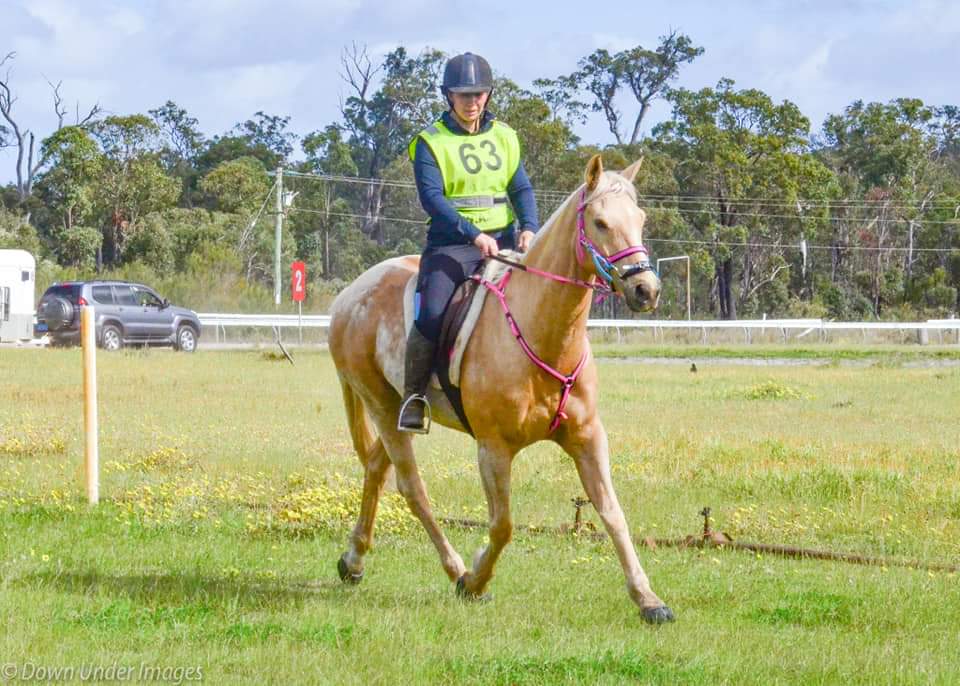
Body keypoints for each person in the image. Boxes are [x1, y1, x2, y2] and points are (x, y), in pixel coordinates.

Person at [398, 52, 539, 433]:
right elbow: (432, 199)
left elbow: (520, 187)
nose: (472, 101)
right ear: (448, 96)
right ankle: (414, 396)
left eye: (479, 94)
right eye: (464, 95)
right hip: (452, 247)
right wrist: (473, 235)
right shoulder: (430, 142)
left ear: (488, 95)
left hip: (506, 242)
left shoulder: (505, 137)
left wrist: (529, 226)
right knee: (430, 315)